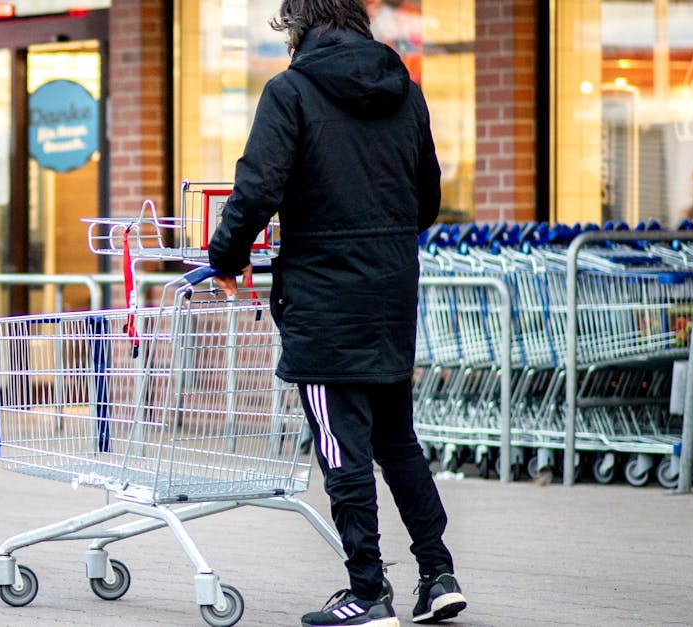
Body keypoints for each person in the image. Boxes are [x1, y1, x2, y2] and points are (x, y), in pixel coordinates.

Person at [206, 2, 463, 626]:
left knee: (340, 447)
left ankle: (368, 592)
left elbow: (257, 188)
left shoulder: (289, 92)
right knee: (396, 438)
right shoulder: (406, 92)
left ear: (299, 30)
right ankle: (438, 574)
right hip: (391, 292)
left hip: (324, 297)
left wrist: (226, 257)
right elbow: (427, 198)